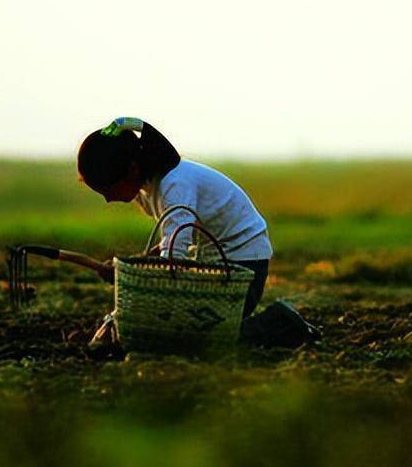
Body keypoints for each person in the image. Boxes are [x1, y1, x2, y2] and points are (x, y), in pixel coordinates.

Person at [76, 117, 273, 319]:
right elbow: (171, 241)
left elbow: (174, 258)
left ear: (132, 170)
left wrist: (131, 276)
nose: (108, 199)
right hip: (213, 265)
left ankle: (279, 323)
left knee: (201, 329)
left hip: (244, 269)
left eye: (108, 189)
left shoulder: (174, 185)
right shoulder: (147, 190)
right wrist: (126, 267)